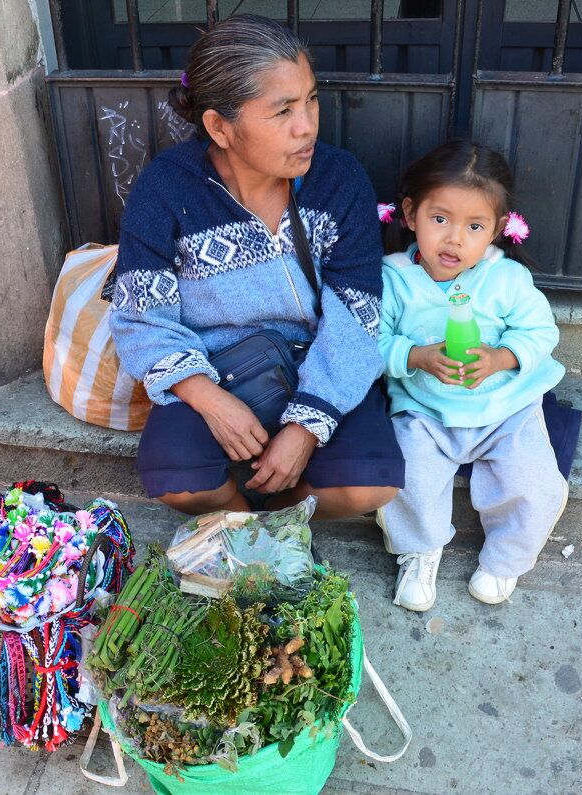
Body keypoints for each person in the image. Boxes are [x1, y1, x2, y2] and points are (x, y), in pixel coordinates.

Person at [109, 14, 403, 520]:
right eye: (283, 110)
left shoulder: (338, 180)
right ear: (220, 127)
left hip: (319, 362)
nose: (307, 124)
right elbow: (141, 316)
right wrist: (207, 398)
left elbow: (356, 313)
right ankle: (243, 523)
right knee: (177, 482)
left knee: (367, 487)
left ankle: (271, 525)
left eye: (311, 98)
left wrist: (307, 425)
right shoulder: (167, 189)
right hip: (218, 371)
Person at [376, 140, 568, 609]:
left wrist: (501, 359)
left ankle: (505, 559)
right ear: (410, 213)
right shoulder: (395, 280)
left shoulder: (505, 280)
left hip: (506, 409)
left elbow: (541, 331)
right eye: (439, 219)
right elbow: (371, 342)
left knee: (536, 483)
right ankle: (418, 550)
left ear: (498, 230)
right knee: (407, 476)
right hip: (426, 411)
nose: (454, 239)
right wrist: (415, 356)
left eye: (474, 226)